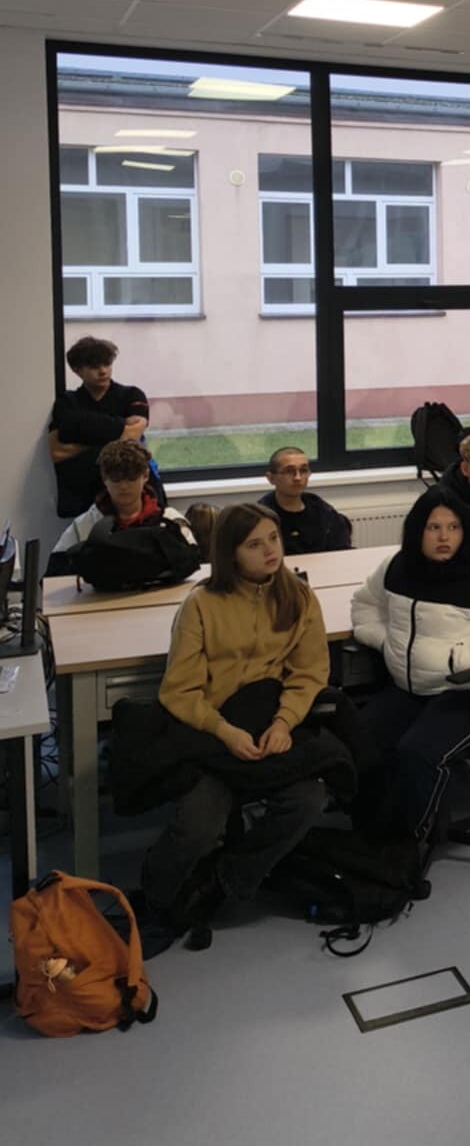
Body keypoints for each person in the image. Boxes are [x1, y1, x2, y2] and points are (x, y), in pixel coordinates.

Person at [140, 503, 331, 933]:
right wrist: (224, 731)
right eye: (254, 544)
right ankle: (156, 897)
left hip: (267, 726)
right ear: (231, 553)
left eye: (274, 539)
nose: (270, 551)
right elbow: (179, 690)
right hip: (212, 734)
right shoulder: (202, 605)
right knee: (199, 826)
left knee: (309, 800)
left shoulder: (298, 597)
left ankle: (224, 881)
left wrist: (284, 722)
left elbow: (309, 673)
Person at [350, 488, 470, 841]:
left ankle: (409, 843)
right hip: (412, 687)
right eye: (433, 527)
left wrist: (458, 658)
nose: (444, 537)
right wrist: (383, 640)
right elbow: (365, 604)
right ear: (417, 531)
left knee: (416, 752)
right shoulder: (397, 567)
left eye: (454, 527)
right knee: (360, 738)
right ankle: (371, 831)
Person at [49, 436, 199, 575]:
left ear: (145, 475)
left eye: (131, 477)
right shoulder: (84, 526)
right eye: (116, 478)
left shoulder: (171, 521)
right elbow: (53, 575)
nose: (124, 486)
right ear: (104, 478)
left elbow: (194, 567)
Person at [48, 334, 150, 520]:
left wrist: (82, 433)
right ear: (77, 370)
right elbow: (57, 452)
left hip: (125, 496)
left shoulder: (132, 395)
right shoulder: (66, 402)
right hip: (80, 497)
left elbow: (131, 436)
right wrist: (118, 427)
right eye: (94, 366)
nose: (103, 371)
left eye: (107, 364)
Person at [262, 446, 353, 556]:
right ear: (271, 478)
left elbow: (342, 545)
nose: (298, 478)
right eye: (289, 471)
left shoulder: (317, 505)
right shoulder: (262, 514)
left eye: (303, 470)